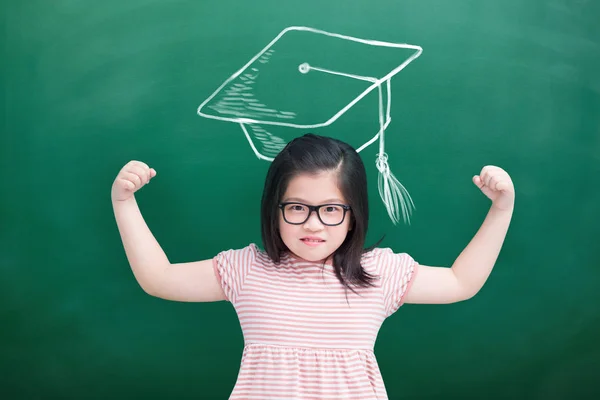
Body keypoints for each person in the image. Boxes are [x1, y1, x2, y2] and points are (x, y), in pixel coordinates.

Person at [111, 133, 515, 399]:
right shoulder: (246, 269)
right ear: (275, 209)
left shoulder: (380, 273)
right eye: (298, 207)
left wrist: (501, 208)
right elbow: (158, 278)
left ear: (354, 214)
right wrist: (124, 203)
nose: (313, 223)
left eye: (331, 210)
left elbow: (461, 281)